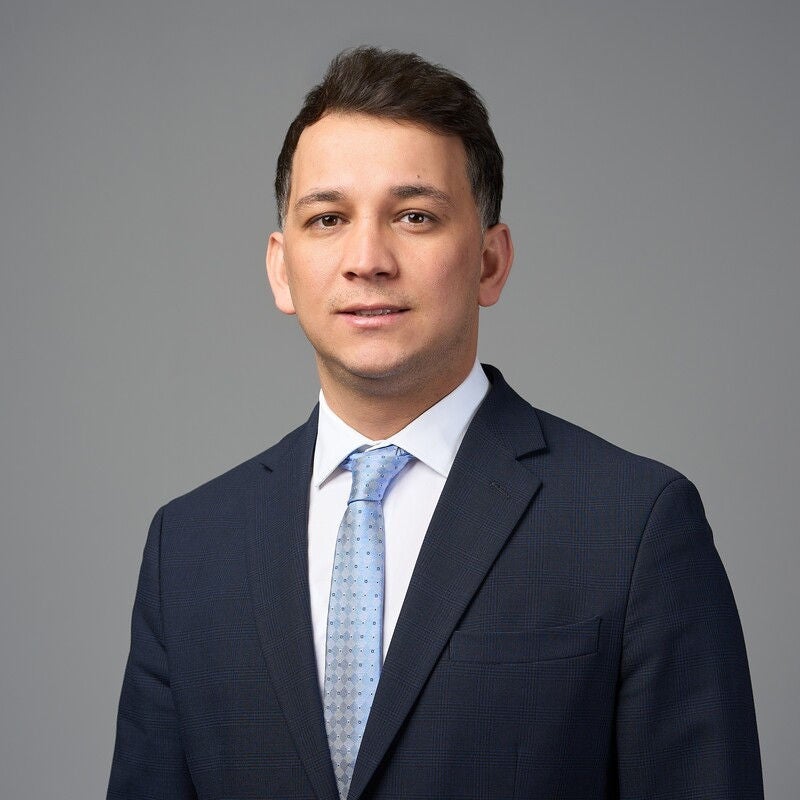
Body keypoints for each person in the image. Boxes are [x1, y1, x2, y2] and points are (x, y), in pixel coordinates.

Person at [107, 46, 763, 799]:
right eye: (328, 219)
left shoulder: (633, 528)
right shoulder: (190, 546)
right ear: (282, 270)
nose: (367, 259)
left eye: (414, 216)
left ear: (489, 261)